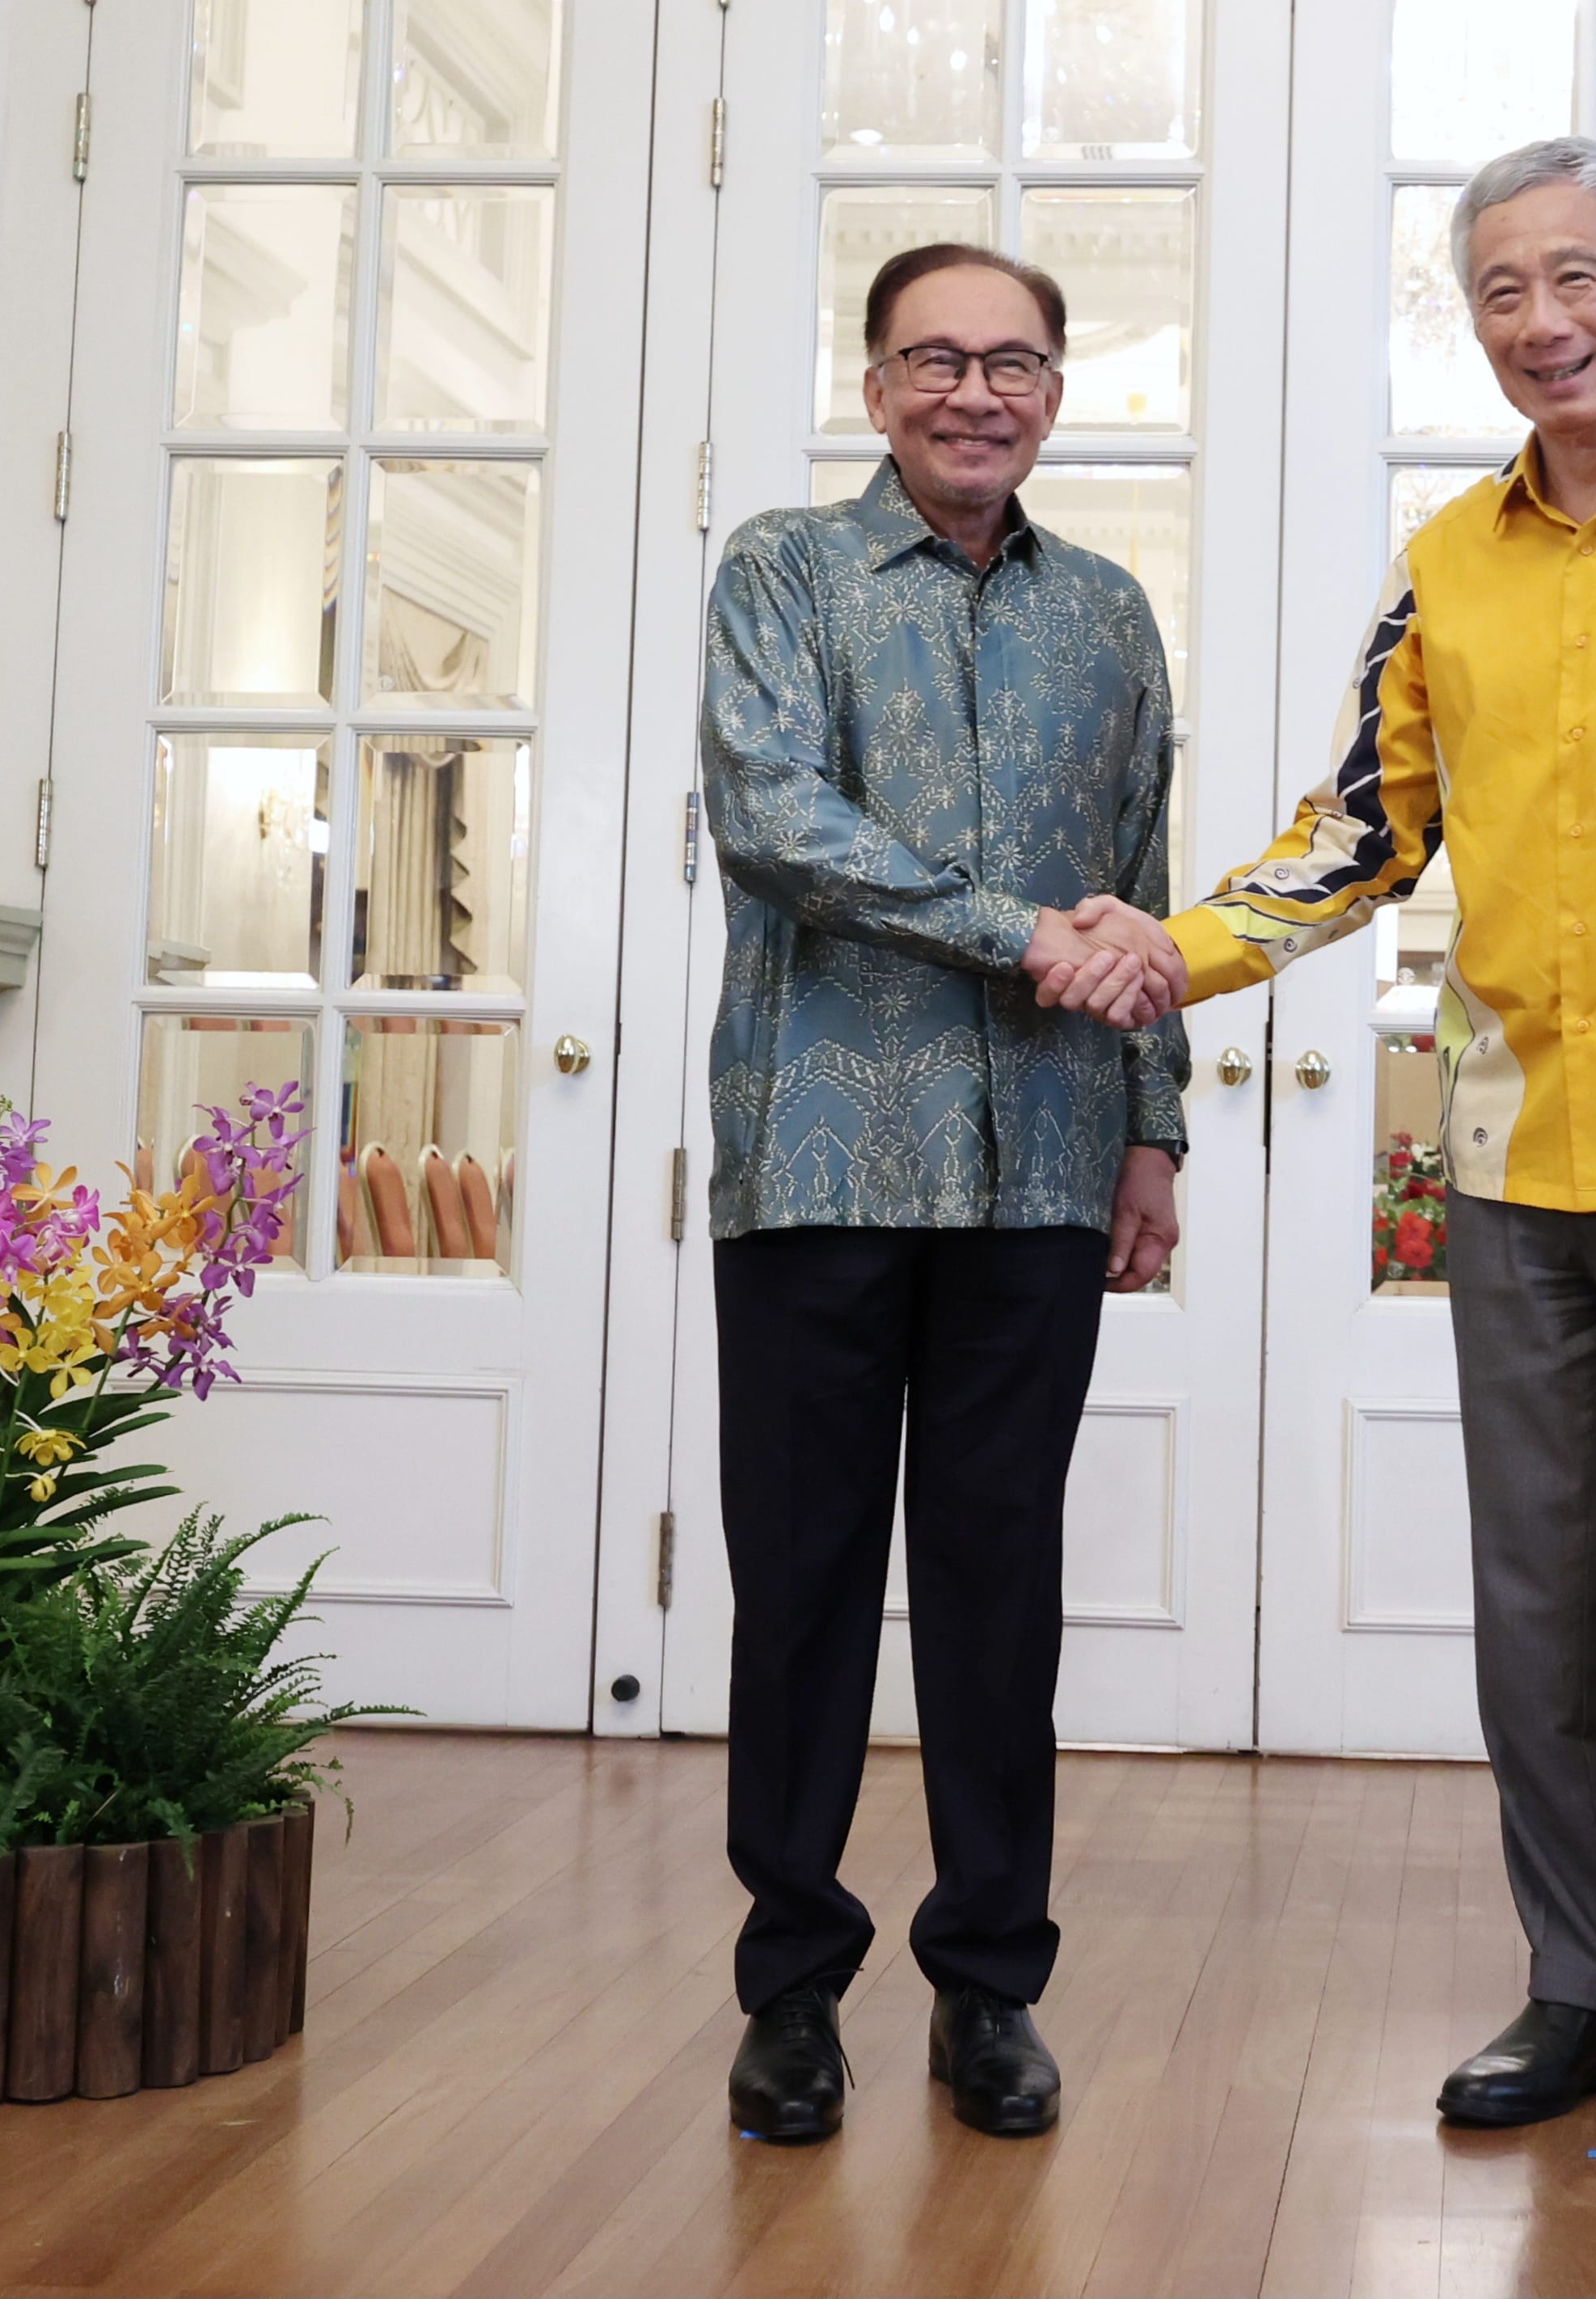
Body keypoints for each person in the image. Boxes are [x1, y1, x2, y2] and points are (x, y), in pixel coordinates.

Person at [1049, 136, 1596, 2165]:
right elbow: (1361, 832)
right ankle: (1580, 1993)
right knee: (1535, 1617)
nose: (1540, 323)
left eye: (1571, 281)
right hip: (1507, 1163)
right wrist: (1167, 953)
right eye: (1499, 295)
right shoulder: (1445, 559)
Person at [697, 240, 1187, 2145]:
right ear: (876, 381)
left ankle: (989, 1987)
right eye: (934, 358)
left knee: (1003, 1592)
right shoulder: (781, 572)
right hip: (821, 1155)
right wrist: (1016, 937)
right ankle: (791, 1992)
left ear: (1057, 390)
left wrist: (1152, 1126)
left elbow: (1141, 880)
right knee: (803, 1584)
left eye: (1013, 361)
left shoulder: (1114, 618)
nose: (974, 392)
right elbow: (774, 817)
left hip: (1047, 1165)